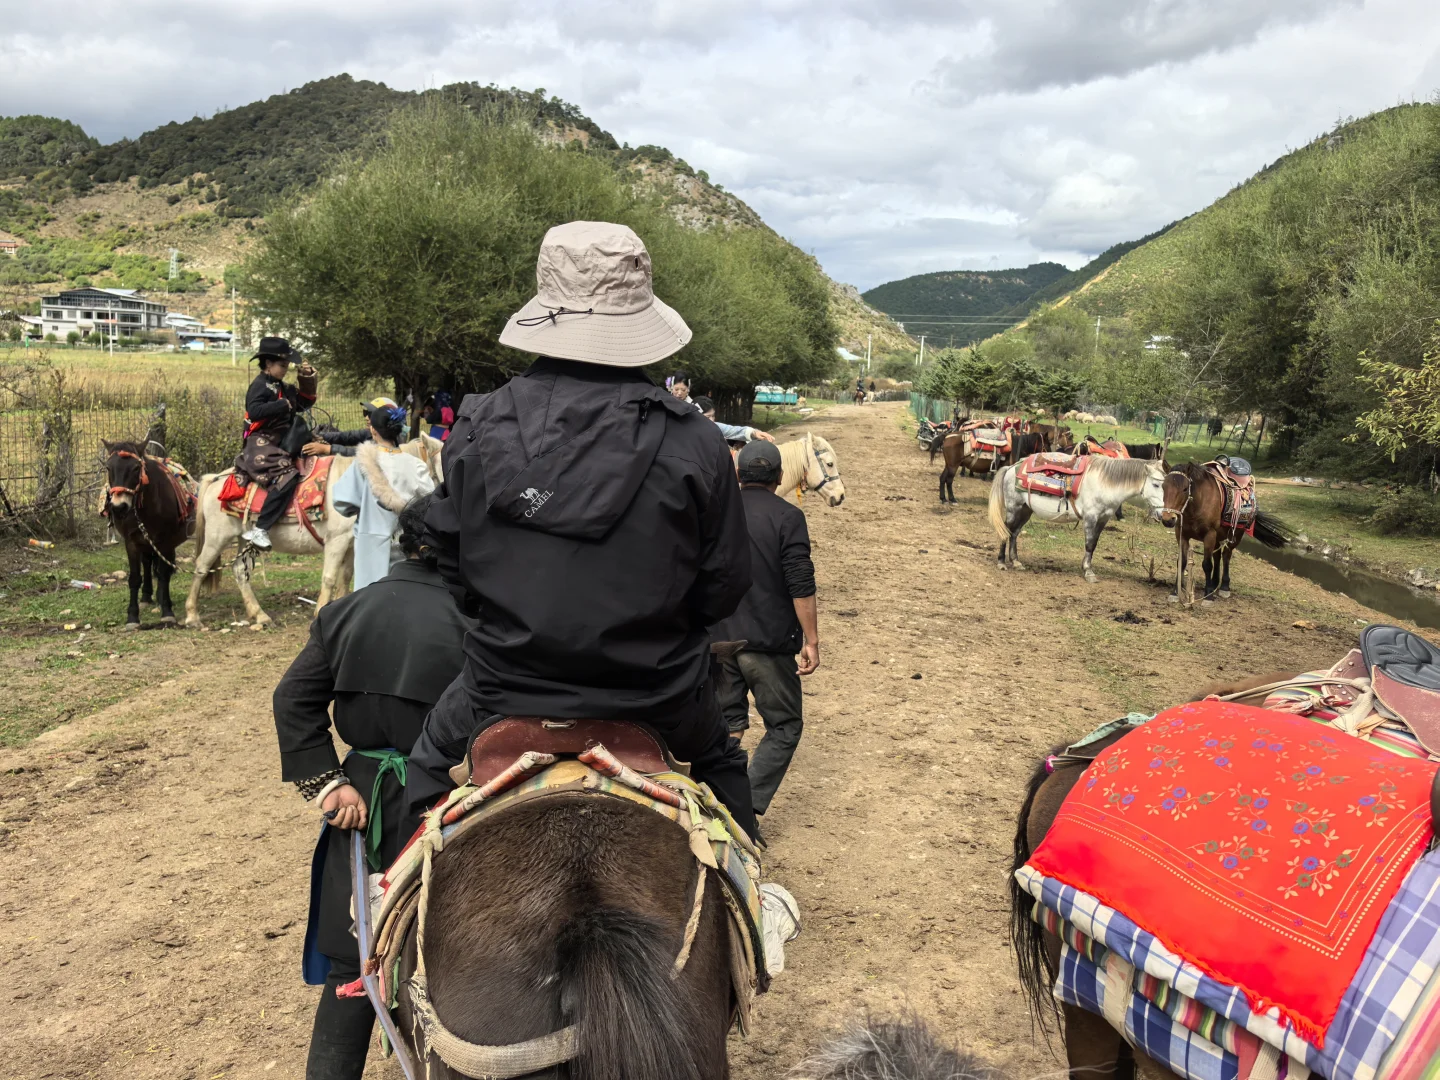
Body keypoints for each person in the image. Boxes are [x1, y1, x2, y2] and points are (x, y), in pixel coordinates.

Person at [403, 220, 758, 839]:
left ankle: (388, 919)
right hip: (657, 693)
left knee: (424, 779)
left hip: (502, 684)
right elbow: (724, 583)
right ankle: (759, 895)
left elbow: (452, 561)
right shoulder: (696, 438)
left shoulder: (477, 425)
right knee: (726, 773)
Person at [272, 495, 473, 1080]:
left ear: (406, 546)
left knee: (353, 963)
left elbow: (293, 699)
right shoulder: (481, 629)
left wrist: (328, 784)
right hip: (448, 803)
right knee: (456, 955)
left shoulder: (344, 612)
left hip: (360, 799)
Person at [711, 441, 820, 830]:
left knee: (728, 726)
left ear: (738, 475)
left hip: (716, 641)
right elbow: (800, 582)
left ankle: (715, 801)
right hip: (768, 645)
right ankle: (744, 808)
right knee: (785, 726)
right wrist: (811, 640)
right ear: (778, 478)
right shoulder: (788, 517)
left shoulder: (714, 513)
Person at [329, 399, 435, 590]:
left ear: (373, 430)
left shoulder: (364, 465)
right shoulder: (416, 465)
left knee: (372, 595)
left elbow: (341, 502)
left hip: (371, 546)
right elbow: (428, 502)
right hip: (408, 546)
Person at [236, 336, 316, 549]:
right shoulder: (259, 385)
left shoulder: (282, 386)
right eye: (283, 365)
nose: (285, 369)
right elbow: (254, 411)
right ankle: (261, 529)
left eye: (287, 365)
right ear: (268, 364)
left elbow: (303, 403)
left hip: (280, 442)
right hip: (260, 444)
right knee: (287, 476)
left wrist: (307, 380)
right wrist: (281, 405)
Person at [670, 373, 776, 445]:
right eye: (676, 389)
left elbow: (732, 431)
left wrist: (754, 432)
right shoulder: (666, 411)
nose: (679, 393)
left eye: (683, 389)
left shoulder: (708, 424)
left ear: (688, 389)